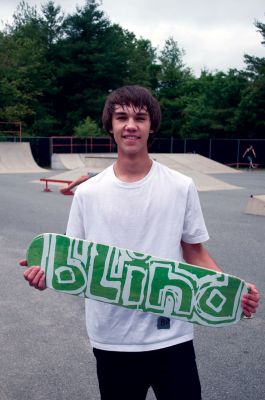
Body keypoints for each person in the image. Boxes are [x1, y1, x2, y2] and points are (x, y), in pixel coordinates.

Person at [21, 85, 259, 400]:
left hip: (171, 335)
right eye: (121, 117)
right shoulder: (88, 194)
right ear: (110, 126)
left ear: (151, 126)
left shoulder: (180, 186)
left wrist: (231, 291)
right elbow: (73, 258)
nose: (130, 125)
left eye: (140, 117)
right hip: (112, 337)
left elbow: (194, 250)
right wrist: (46, 273)